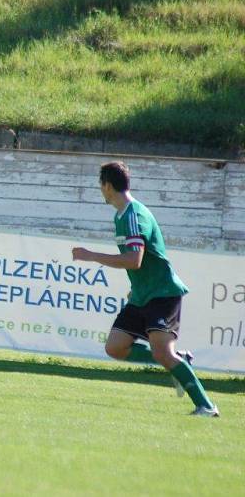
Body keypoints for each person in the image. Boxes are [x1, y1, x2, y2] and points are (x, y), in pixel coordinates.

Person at [71, 161, 219, 417]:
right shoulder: (122, 215)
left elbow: (134, 260)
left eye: (100, 186)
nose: (101, 191)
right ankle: (177, 361)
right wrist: (135, 288)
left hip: (162, 293)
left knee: (163, 352)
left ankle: (206, 405)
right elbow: (140, 263)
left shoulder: (133, 215)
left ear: (107, 186)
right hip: (143, 295)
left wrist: (92, 255)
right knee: (115, 347)